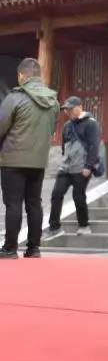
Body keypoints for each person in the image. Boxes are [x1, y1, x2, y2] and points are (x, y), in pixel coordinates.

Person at [0, 58, 60, 259]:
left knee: (13, 203)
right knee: (34, 203)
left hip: (13, 159)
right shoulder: (53, 101)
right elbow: (51, 130)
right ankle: (33, 248)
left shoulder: (15, 98)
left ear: (21, 75)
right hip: (38, 161)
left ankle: (10, 248)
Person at [44, 96, 102, 239]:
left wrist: (88, 166)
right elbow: (64, 146)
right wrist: (64, 160)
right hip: (66, 167)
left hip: (82, 167)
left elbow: (94, 146)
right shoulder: (67, 125)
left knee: (78, 195)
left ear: (79, 107)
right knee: (56, 194)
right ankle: (54, 227)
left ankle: (84, 225)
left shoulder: (91, 123)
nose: (67, 112)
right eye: (66, 109)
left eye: (70, 109)